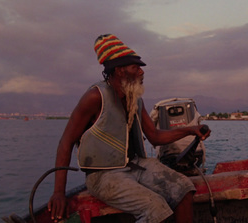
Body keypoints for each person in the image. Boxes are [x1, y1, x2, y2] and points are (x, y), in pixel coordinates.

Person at [47, 34, 210, 223]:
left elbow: (155, 136)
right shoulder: (94, 97)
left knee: (184, 188)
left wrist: (191, 130)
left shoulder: (135, 98)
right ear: (120, 71)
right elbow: (65, 142)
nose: (141, 72)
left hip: (136, 165)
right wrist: (58, 192)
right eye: (136, 67)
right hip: (103, 176)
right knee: (156, 208)